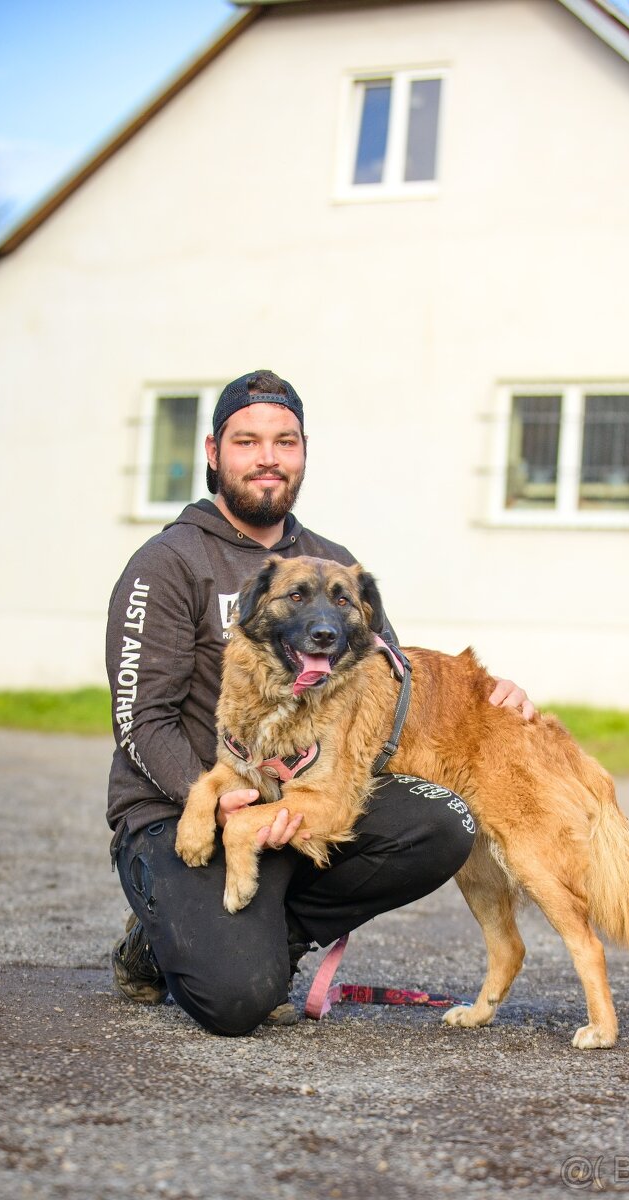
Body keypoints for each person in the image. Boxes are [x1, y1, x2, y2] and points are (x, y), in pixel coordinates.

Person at [107, 369, 535, 1036]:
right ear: (213, 452)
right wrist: (214, 799)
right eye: (248, 442)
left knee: (445, 821)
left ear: (304, 452)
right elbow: (141, 719)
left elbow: (393, 674)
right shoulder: (168, 563)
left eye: (286, 441)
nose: (269, 458)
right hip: (180, 809)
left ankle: (276, 932)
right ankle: (161, 941)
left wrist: (488, 693)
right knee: (237, 1001)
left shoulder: (333, 564)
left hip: (298, 801)